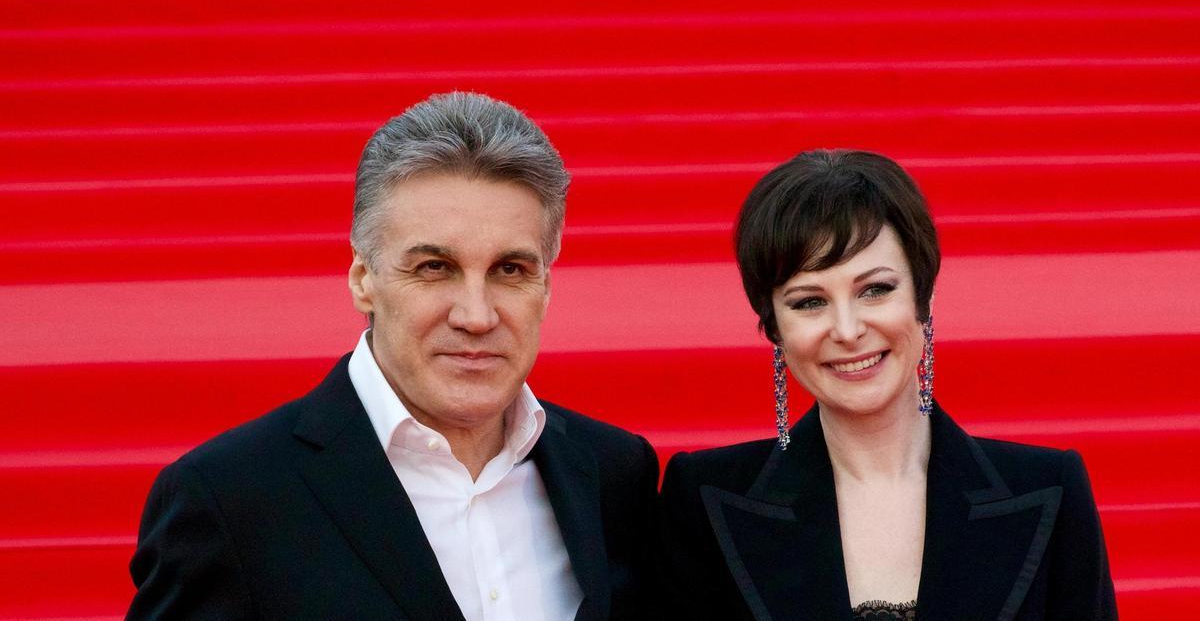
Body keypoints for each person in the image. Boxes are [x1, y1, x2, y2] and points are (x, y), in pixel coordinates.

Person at [128, 92, 660, 620]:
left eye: (510, 270)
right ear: (364, 279)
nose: (476, 316)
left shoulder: (613, 472)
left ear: (545, 287)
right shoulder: (229, 497)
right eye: (434, 268)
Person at [659, 150, 1116, 620]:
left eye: (875, 290)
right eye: (809, 302)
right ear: (774, 326)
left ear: (924, 296)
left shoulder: (1049, 488)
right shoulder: (706, 498)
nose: (847, 329)